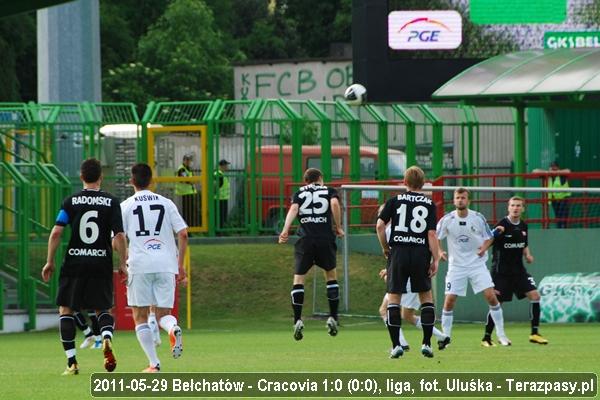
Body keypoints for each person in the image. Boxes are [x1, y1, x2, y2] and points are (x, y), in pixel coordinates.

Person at [41, 158, 127, 375]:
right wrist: (123, 263)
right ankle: (106, 337)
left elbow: (57, 231)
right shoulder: (112, 201)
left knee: (66, 310)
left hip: (74, 263)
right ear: (101, 177)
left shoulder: (70, 202)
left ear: (81, 177)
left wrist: (49, 261)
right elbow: (119, 236)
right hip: (101, 262)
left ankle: (72, 363)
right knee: (102, 309)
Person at [120, 163, 189, 372]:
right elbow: (183, 233)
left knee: (140, 316)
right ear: (151, 181)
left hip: (140, 264)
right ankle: (172, 327)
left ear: (132, 181)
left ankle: (154, 363)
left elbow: (118, 237)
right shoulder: (166, 203)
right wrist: (181, 265)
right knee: (162, 315)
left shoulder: (125, 206)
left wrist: (122, 262)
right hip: (166, 264)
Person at [376, 166, 440, 358]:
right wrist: (435, 258)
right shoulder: (429, 204)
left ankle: (396, 345)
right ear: (423, 183)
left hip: (399, 252)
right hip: (420, 253)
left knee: (394, 299)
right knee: (426, 298)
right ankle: (427, 344)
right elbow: (431, 233)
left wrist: (385, 248)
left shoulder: (394, 201)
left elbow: (380, 226)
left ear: (404, 182)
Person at [436, 188, 511, 349]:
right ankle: (446, 338)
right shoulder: (447, 219)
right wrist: (440, 251)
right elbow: (435, 237)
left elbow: (489, 237)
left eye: (463, 197)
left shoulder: (477, 218)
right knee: (449, 302)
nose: (460, 200)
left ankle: (501, 335)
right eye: (458, 198)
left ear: (468, 200)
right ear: (454, 201)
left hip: (477, 264)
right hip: (456, 267)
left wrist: (484, 248)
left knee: (491, 297)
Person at [278, 168, 344, 341]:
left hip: (305, 239)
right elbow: (335, 205)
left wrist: (285, 230)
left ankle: (297, 320)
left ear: (305, 181)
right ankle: (333, 317)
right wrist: (338, 226)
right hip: (324, 238)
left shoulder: (299, 192)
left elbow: (293, 210)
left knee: (299, 279)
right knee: (331, 276)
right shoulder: (329, 191)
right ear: (320, 178)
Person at [479, 196, 548, 346]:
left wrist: (527, 254)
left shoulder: (523, 226)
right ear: (508, 207)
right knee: (497, 304)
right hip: (501, 273)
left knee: (535, 296)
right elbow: (490, 238)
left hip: (519, 272)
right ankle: (487, 337)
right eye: (513, 205)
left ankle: (534, 334)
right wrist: (483, 249)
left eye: (518, 206)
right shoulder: (502, 225)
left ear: (523, 208)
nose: (515, 208)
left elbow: (524, 243)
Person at [533, 161, 571, 228]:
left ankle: (563, 230)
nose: (553, 169)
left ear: (558, 168)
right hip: (554, 200)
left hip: (564, 199)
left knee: (563, 217)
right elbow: (534, 171)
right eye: (552, 168)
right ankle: (560, 230)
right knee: (557, 217)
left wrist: (556, 172)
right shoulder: (548, 175)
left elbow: (568, 171)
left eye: (555, 167)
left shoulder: (562, 175)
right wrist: (547, 172)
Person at [176, 153, 199, 228]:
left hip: (189, 193)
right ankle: (187, 229)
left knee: (190, 213)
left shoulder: (188, 168)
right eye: (187, 160)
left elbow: (192, 179)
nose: (188, 162)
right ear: (184, 160)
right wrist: (193, 180)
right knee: (187, 213)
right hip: (184, 194)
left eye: (189, 160)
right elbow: (186, 180)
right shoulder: (182, 169)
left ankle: (191, 229)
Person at [214, 159, 230, 229]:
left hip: (222, 198)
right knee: (220, 217)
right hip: (219, 199)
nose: (227, 167)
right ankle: (219, 231)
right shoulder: (218, 174)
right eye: (226, 165)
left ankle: (221, 230)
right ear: (222, 166)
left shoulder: (221, 174)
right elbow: (216, 186)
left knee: (222, 217)